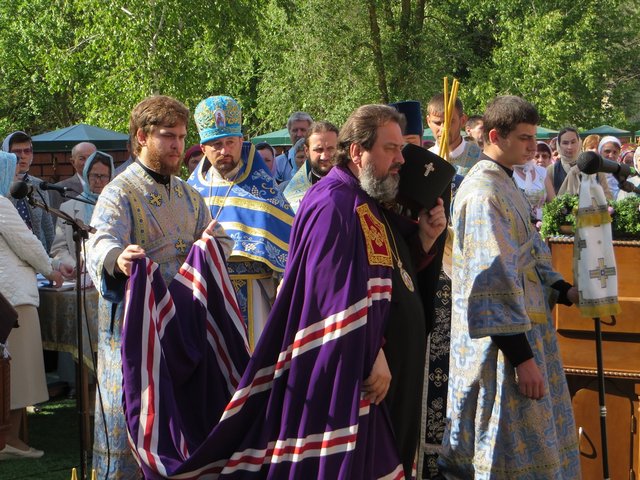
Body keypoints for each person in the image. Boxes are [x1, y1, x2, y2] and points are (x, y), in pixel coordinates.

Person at [85, 95, 232, 479]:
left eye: (182, 137)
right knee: (131, 424)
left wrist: (214, 244)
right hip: (136, 336)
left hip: (183, 332)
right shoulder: (119, 192)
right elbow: (100, 241)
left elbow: (216, 244)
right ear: (141, 137)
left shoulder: (189, 195)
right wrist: (118, 257)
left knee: (181, 426)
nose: (177, 146)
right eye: (168, 136)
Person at [439, 95, 581, 478]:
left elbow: (531, 251)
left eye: (534, 137)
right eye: (524, 138)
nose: (533, 146)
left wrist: (564, 290)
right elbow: (493, 282)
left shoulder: (504, 180)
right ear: (494, 136)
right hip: (500, 350)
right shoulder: (484, 193)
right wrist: (523, 359)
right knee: (503, 453)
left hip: (525, 333)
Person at [189, 95, 293, 349]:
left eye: (230, 142)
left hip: (255, 293)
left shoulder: (264, 191)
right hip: (206, 295)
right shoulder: (191, 193)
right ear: (203, 149)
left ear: (241, 141)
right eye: (216, 144)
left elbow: (288, 251)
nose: (225, 151)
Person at [0, 151, 63, 460]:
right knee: (17, 374)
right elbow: (27, 243)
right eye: (9, 171)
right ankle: (10, 440)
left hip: (5, 296)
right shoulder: (1, 203)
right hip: (13, 300)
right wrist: (51, 270)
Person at [51, 151, 114, 274]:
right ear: (86, 175)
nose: (98, 181)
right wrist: (76, 267)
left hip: (111, 274)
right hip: (80, 276)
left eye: (103, 176)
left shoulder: (119, 206)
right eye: (94, 175)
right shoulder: (68, 208)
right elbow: (58, 248)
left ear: (111, 177)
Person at [1, 131, 54, 252]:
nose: (23, 156)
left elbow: (47, 227)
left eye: (27, 151)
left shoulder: (39, 185)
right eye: (17, 152)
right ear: (6, 154)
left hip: (39, 254)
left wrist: (52, 256)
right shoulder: (2, 186)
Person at [283, 121, 339, 212]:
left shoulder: (351, 188)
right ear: (306, 151)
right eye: (319, 150)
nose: (324, 156)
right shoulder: (291, 198)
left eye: (330, 149)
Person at [547, 127, 612, 199]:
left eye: (573, 142)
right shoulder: (551, 170)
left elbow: (607, 197)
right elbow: (547, 200)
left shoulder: (595, 166)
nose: (570, 147)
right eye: (565, 143)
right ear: (559, 145)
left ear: (579, 142)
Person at [426, 93, 482, 176]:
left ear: (462, 121)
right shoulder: (424, 159)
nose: (443, 129)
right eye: (437, 123)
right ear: (428, 121)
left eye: (450, 122)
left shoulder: (481, 160)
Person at [512, 142, 555, 223]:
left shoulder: (541, 172)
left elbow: (553, 203)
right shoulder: (509, 173)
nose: (528, 151)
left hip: (541, 224)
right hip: (519, 224)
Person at [49, 142, 97, 211]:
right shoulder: (58, 189)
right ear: (73, 162)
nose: (87, 162)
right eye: (82, 158)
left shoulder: (108, 186)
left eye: (91, 158)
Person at [273, 111, 313, 183]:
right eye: (295, 130)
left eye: (303, 130)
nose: (299, 134)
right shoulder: (278, 163)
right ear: (289, 132)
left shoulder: (318, 160)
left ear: (311, 132)